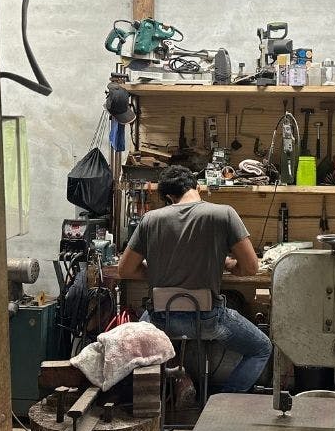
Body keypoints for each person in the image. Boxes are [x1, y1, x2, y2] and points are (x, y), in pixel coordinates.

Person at [116, 165, 271, 398]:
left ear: (169, 197)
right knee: (261, 348)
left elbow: (125, 270)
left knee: (138, 343)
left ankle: (158, 395)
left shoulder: (150, 219)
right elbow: (251, 268)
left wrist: (158, 270)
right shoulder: (223, 214)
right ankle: (224, 401)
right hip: (207, 320)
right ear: (198, 188)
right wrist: (228, 264)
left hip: (161, 320)